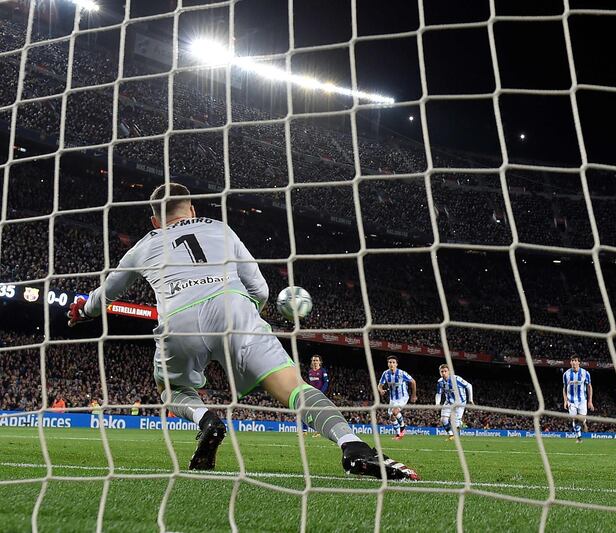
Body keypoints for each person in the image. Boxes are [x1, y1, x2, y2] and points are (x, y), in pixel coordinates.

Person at [67, 183, 418, 480]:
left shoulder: (145, 243)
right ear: (190, 209)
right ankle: (352, 446)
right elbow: (261, 289)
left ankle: (207, 420)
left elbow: (107, 293)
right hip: (234, 308)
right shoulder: (221, 228)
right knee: (294, 389)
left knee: (172, 390)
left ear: (155, 219)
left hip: (179, 317)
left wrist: (82, 310)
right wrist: (249, 320)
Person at [377, 356, 416, 440]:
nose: (391, 364)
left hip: (403, 397)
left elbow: (413, 382)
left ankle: (402, 426)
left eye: (393, 362)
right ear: (388, 364)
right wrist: (381, 390)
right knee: (392, 417)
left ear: (396, 364)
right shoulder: (385, 374)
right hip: (393, 398)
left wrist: (413, 395)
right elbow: (380, 385)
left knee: (395, 411)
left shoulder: (402, 373)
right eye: (390, 362)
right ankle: (399, 435)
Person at [434, 365, 473, 441]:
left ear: (449, 371)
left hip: (460, 402)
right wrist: (437, 403)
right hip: (449, 402)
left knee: (455, 422)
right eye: (442, 371)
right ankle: (451, 435)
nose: (444, 373)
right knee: (443, 419)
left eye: (445, 371)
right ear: (440, 372)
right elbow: (438, 393)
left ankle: (457, 431)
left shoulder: (456, 379)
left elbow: (469, 386)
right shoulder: (440, 382)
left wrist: (470, 399)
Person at [562, 355, 594, 443]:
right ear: (570, 362)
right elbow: (564, 388)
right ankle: (579, 438)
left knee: (581, 419)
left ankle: (583, 422)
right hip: (571, 401)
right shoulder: (566, 374)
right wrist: (565, 401)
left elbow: (589, 387)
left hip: (582, 400)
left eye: (575, 360)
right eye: (572, 360)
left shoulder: (585, 373)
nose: (573, 362)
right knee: (574, 419)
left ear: (579, 362)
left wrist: (590, 401)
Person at [305, 355, 329, 437]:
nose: (314, 362)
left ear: (320, 362)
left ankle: (319, 431)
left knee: (318, 412)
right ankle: (305, 430)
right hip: (311, 394)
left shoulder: (323, 371)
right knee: (307, 411)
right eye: (313, 360)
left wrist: (321, 392)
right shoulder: (310, 371)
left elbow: (326, 383)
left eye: (316, 360)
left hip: (319, 394)